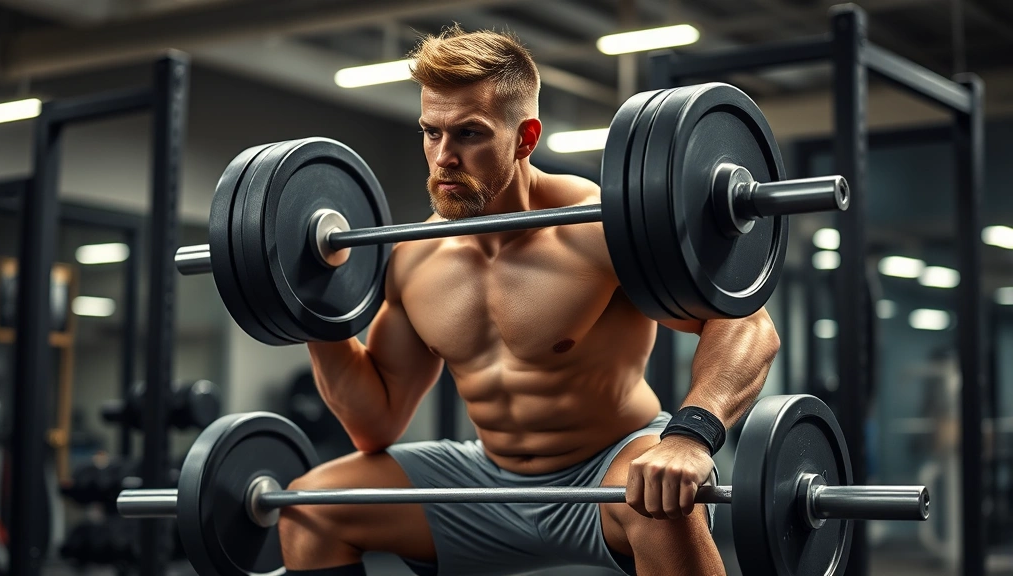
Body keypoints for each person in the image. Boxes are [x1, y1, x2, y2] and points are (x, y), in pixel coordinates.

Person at [279, 26, 779, 576]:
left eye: (469, 133)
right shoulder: (414, 257)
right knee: (309, 508)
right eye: (430, 132)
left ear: (525, 137)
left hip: (611, 467)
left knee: (660, 505)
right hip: (485, 479)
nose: (443, 157)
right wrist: (306, 301)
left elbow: (748, 324)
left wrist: (690, 437)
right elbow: (375, 424)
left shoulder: (597, 228)